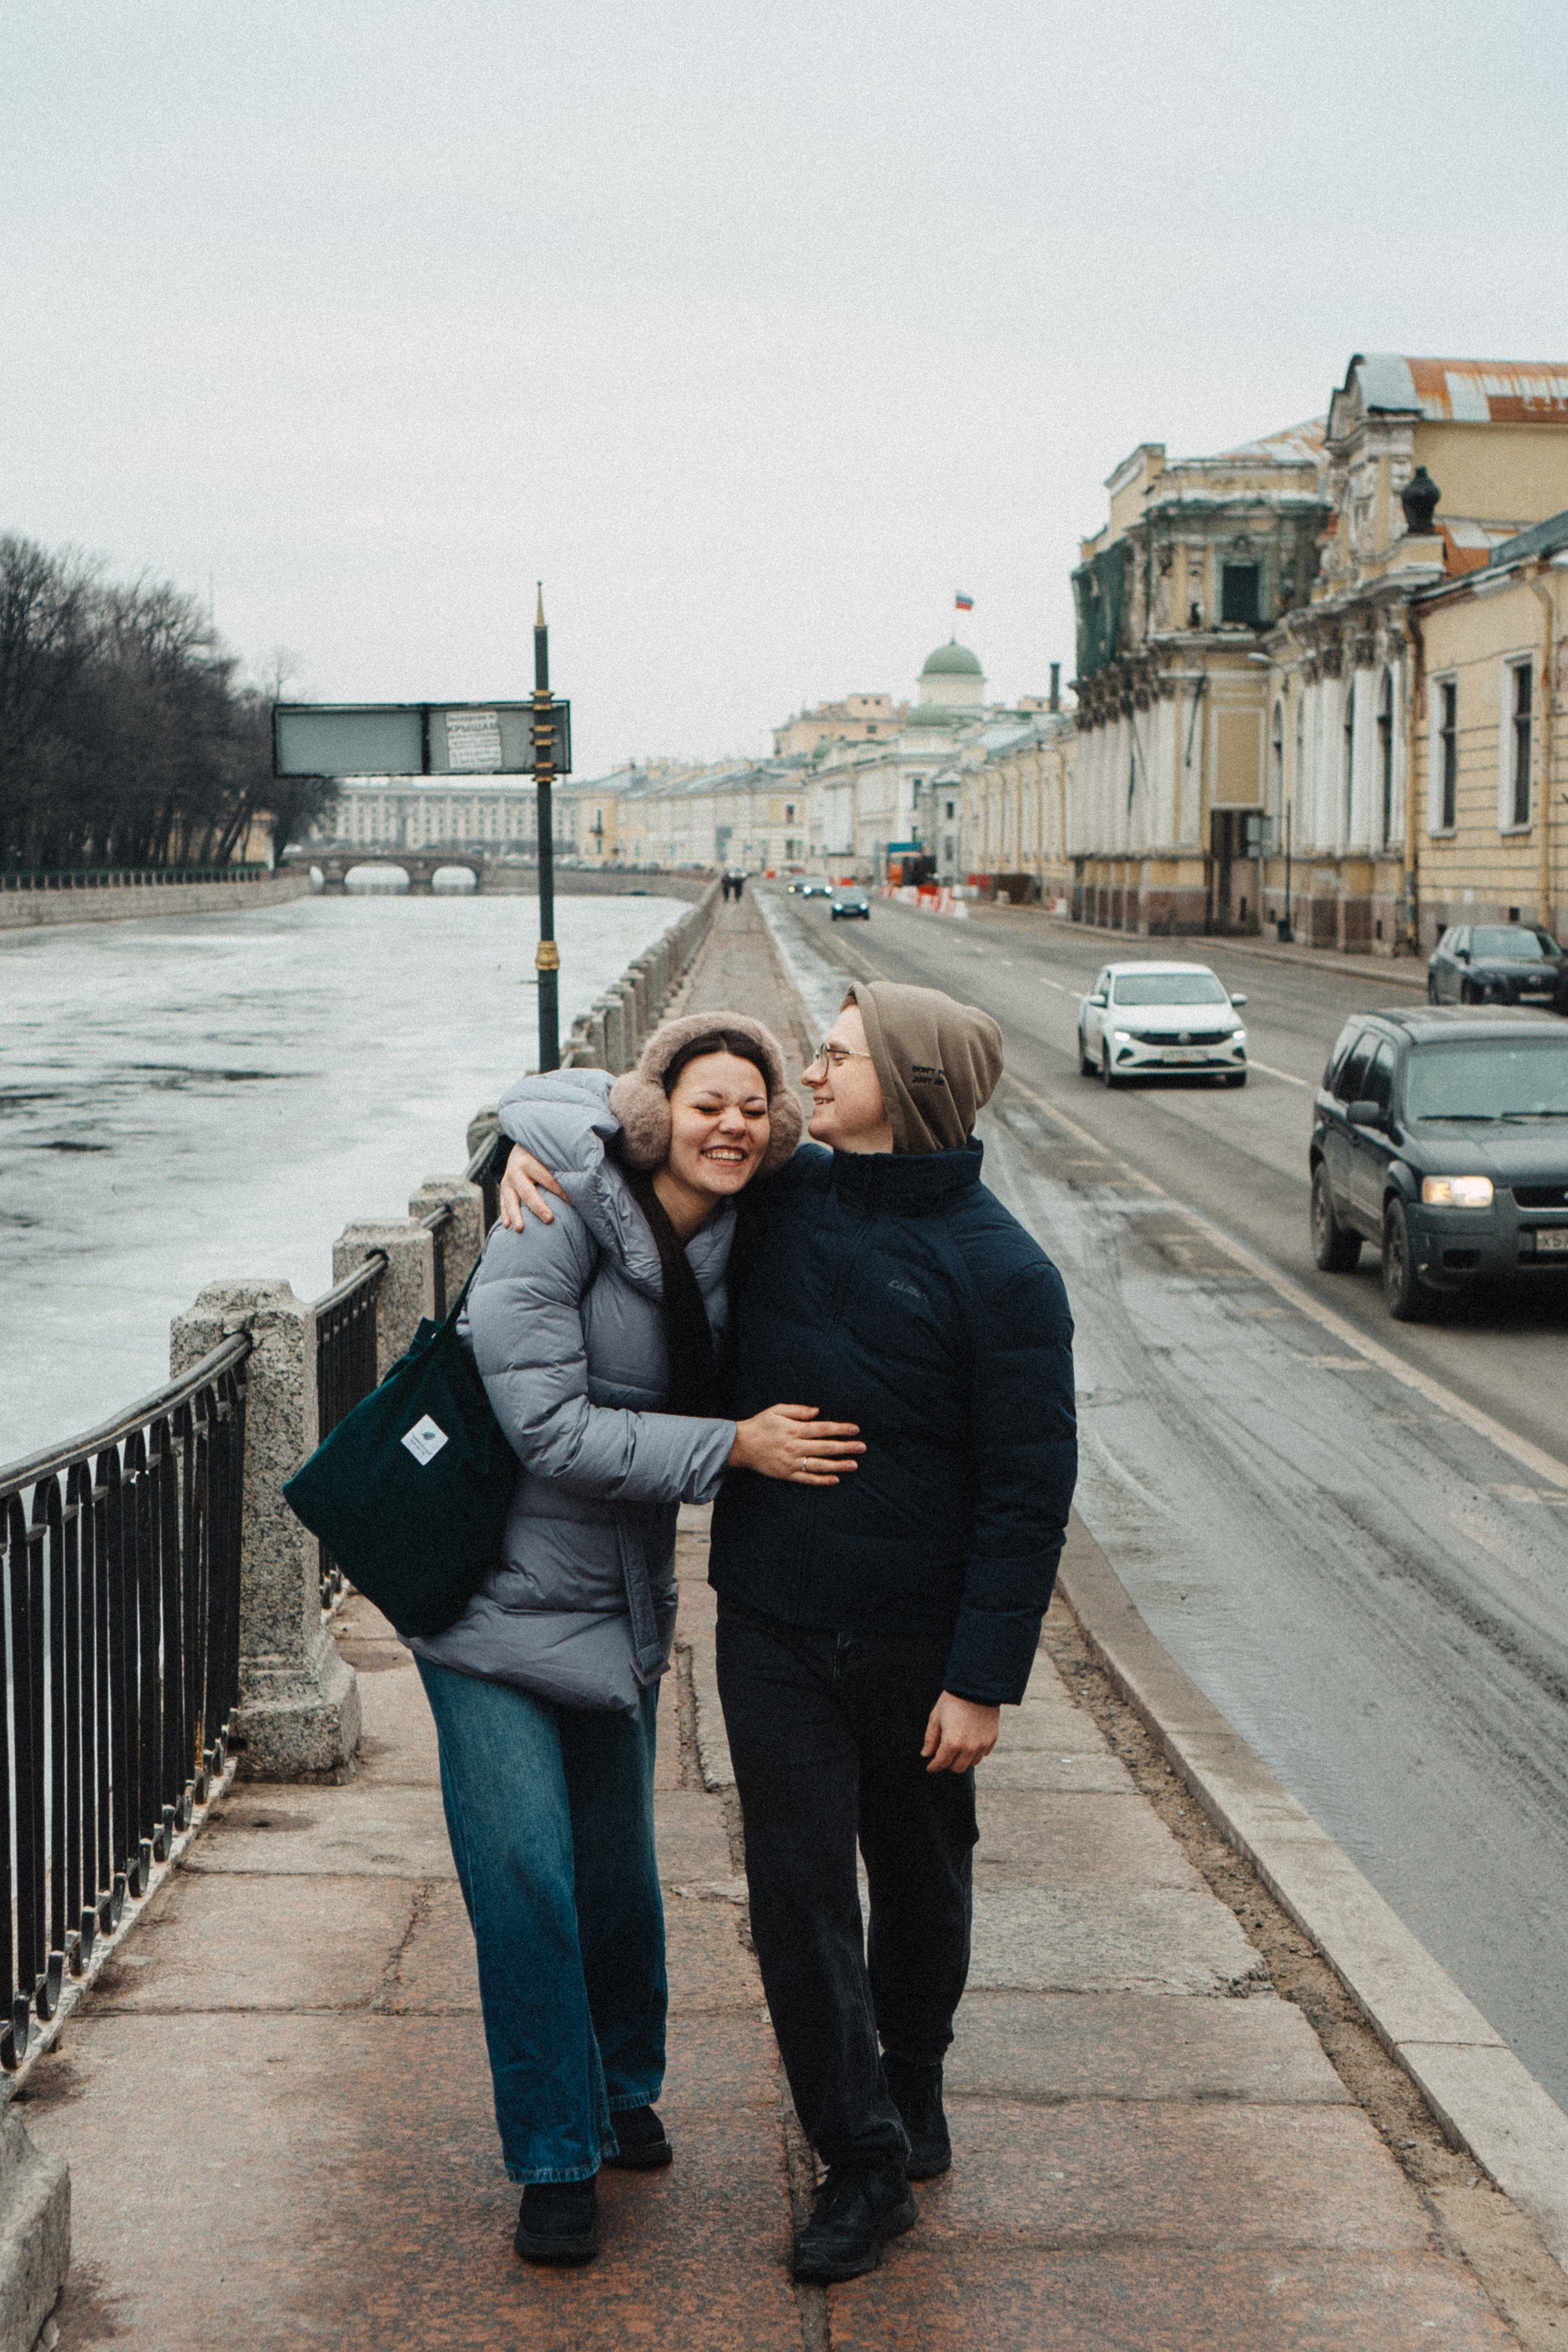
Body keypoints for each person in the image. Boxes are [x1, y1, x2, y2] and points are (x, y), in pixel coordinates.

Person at [496, 979, 1077, 2284]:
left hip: (920, 1643)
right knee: (799, 1893)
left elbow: (1027, 1490)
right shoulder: (781, 1193)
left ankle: (911, 2079)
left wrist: (981, 1680)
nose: (809, 1073)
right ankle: (859, 2159)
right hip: (768, 1622)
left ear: (909, 1087)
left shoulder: (1004, 1275)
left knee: (919, 1880)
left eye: (836, 1056)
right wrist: (514, 1161)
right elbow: (608, 1119)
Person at [412, 1014, 864, 2269]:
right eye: (707, 1101)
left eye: (754, 1106)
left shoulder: (753, 1224)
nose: (732, 1124)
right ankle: (555, 2156)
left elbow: (887, 1177)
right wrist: (732, 1447)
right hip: (486, 1602)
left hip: (617, 1603)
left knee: (616, 1878)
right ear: (658, 1109)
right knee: (527, 1882)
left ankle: (622, 2085)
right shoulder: (548, 1211)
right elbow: (549, 1429)